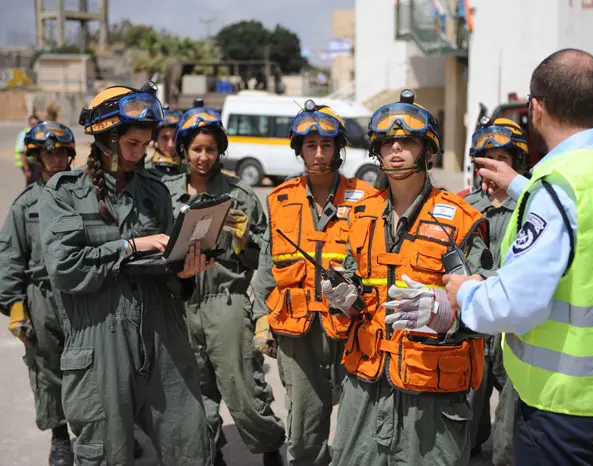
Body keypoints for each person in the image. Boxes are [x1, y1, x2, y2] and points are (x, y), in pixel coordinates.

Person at [444, 49, 593, 466]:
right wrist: (521, 188)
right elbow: (589, 236)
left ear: (537, 108)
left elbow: (515, 305)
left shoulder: (555, 188)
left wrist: (468, 293)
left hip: (560, 407)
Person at [39, 84, 215, 466]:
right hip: (99, 339)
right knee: (107, 454)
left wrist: (185, 270)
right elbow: (67, 269)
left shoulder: (155, 192)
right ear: (106, 138)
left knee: (191, 444)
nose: (141, 153)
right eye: (133, 144)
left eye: (146, 144)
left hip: (162, 336)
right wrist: (133, 246)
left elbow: (168, 271)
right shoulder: (63, 193)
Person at [322, 89, 494, 466]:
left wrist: (447, 315)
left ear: (428, 151)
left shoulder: (460, 221)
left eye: (408, 142)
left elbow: (490, 306)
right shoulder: (359, 216)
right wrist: (344, 300)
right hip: (365, 386)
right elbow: (353, 286)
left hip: (430, 397)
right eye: (387, 142)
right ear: (376, 152)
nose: (396, 149)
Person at [253, 99, 377, 466]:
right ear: (299, 150)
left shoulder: (367, 198)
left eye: (327, 145)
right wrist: (262, 319)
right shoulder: (279, 200)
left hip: (352, 327)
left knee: (359, 429)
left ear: (339, 148)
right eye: (310, 146)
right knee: (304, 431)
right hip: (297, 332)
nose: (319, 154)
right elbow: (266, 266)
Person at [162, 105, 285, 466]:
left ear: (220, 151)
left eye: (211, 149)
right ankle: (210, 452)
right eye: (197, 148)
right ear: (184, 148)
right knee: (193, 394)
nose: (204, 157)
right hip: (179, 306)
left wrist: (245, 239)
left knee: (244, 389)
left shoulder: (241, 195)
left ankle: (270, 445)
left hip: (226, 303)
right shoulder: (162, 193)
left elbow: (265, 258)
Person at [0, 122, 76, 466]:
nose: (55, 159)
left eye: (61, 152)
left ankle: (110, 432)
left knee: (102, 366)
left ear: (70, 155)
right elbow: (10, 256)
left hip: (83, 294)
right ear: (37, 157)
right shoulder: (24, 205)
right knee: (47, 370)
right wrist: (15, 304)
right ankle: (60, 438)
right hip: (42, 298)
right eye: (49, 153)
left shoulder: (88, 196)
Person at [463, 117, 529, 465]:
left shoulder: (532, 205)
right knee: (466, 429)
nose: (493, 166)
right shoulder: (464, 208)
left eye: (502, 158)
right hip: (474, 327)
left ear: (516, 162)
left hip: (515, 331)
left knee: (509, 437)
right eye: (486, 158)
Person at [146, 106, 186, 177]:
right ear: (155, 138)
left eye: (175, 138)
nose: (171, 145)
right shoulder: (144, 169)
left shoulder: (188, 171)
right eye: (165, 138)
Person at [15, 114, 41, 185]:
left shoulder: (38, 134)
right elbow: (22, 153)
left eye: (36, 124)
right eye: (33, 124)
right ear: (29, 123)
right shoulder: (25, 134)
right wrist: (27, 170)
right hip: (27, 163)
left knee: (37, 183)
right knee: (33, 183)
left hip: (34, 163)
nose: (34, 126)